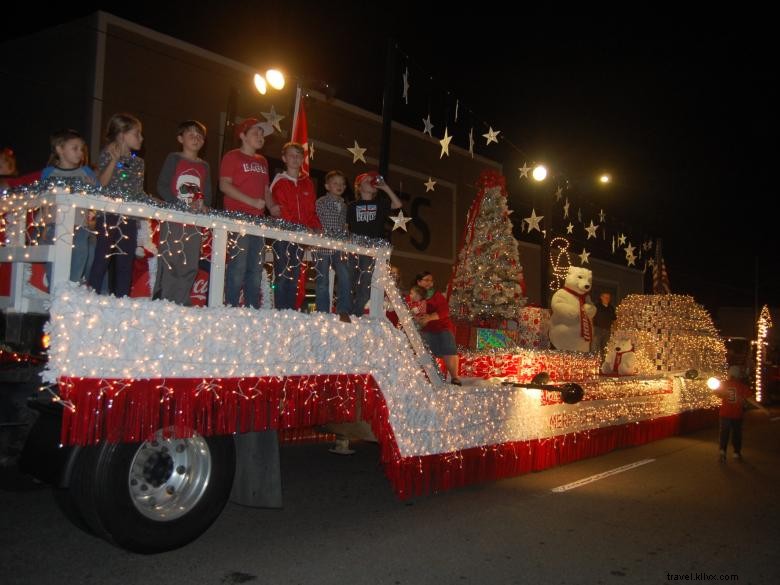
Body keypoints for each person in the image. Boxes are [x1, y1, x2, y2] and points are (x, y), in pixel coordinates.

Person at [154, 120, 212, 305]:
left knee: (190, 261)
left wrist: (204, 205)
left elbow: (207, 193)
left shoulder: (205, 166)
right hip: (174, 219)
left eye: (200, 136)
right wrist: (179, 205)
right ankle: (165, 300)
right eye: (191, 134)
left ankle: (181, 300)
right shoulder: (174, 158)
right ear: (180, 138)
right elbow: (162, 185)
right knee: (170, 259)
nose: (196, 138)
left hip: (194, 223)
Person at [87, 113, 145, 297]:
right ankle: (91, 296)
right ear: (122, 135)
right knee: (102, 256)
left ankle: (122, 299)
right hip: (108, 215)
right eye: (136, 134)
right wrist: (114, 160)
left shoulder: (138, 163)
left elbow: (138, 191)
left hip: (129, 217)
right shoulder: (106, 155)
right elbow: (101, 184)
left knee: (125, 261)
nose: (141, 138)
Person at [220, 117, 272, 309]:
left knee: (256, 267)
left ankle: (252, 308)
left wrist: (273, 207)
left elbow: (265, 190)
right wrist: (251, 202)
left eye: (262, 133)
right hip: (238, 217)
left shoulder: (263, 161)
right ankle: (232, 307)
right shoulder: (232, 156)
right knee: (238, 264)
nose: (260, 136)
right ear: (242, 136)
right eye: (255, 132)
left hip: (258, 220)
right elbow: (224, 185)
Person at [268, 142, 321, 310]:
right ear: (284, 158)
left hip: (300, 237)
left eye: (298, 155)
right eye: (291, 155)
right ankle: (280, 311)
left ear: (302, 159)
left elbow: (311, 209)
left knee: (295, 275)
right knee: (283, 274)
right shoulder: (279, 182)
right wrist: (301, 228)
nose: (295, 158)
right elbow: (283, 210)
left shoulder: (308, 183)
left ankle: (290, 312)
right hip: (283, 235)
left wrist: (315, 227)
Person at [40, 129, 97, 284]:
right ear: (60, 149)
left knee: (80, 252)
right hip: (54, 223)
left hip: (80, 224)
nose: (80, 153)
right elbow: (43, 198)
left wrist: (92, 189)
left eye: (81, 149)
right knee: (55, 255)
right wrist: (45, 222)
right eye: (75, 148)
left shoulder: (86, 172)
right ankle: (54, 287)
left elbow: (98, 196)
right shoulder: (50, 172)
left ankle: (73, 285)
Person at [347, 171, 402, 316]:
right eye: (367, 181)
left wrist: (385, 187)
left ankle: (356, 314)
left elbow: (397, 204)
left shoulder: (380, 204)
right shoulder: (352, 206)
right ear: (359, 186)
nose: (371, 182)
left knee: (366, 283)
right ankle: (347, 312)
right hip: (354, 247)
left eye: (372, 181)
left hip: (372, 249)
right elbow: (346, 226)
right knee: (350, 281)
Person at [313, 170, 351, 322]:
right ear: (327, 186)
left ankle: (343, 310)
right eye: (335, 183)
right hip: (322, 245)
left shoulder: (344, 206)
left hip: (339, 247)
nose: (339, 186)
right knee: (322, 280)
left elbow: (345, 226)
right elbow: (315, 220)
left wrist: (346, 236)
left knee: (345, 277)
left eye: (342, 184)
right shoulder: (321, 202)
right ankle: (322, 311)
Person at [714, 365, 770, 462]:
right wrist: (764, 409)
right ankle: (736, 453)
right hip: (737, 415)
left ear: (730, 374)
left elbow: (717, 393)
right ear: (738, 375)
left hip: (725, 414)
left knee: (724, 434)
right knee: (737, 434)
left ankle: (722, 452)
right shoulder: (742, 386)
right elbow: (751, 400)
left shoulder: (724, 384)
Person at [414, 271, 461, 385]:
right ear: (419, 282)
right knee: (426, 349)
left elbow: (444, 311)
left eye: (431, 280)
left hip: (442, 326)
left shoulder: (436, 295)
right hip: (425, 328)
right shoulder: (414, 294)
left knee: (448, 345)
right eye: (426, 280)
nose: (429, 283)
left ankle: (455, 377)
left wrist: (430, 317)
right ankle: (429, 377)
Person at [592, 291, 616, 355]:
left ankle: (604, 360)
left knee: (605, 348)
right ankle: (594, 359)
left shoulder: (611, 308)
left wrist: (614, 328)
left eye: (608, 297)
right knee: (595, 346)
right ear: (601, 297)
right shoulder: (596, 306)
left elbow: (614, 319)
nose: (607, 299)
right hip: (597, 329)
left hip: (607, 330)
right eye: (605, 297)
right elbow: (591, 316)